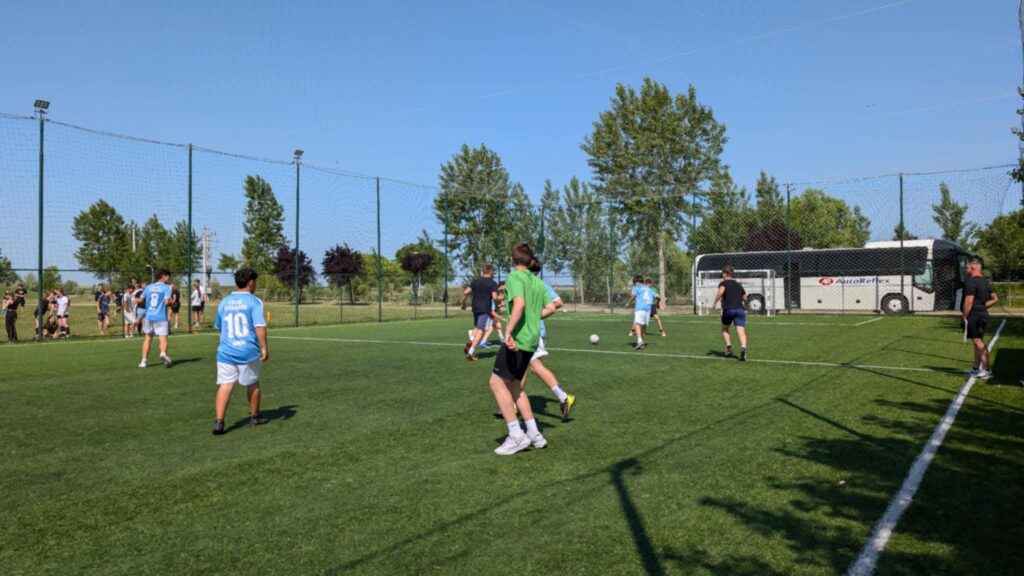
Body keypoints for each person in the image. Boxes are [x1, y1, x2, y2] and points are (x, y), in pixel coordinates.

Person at [491, 242, 556, 456]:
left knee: (496, 383)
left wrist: (508, 332)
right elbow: (551, 307)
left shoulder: (514, 277)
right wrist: (533, 318)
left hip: (518, 340)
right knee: (515, 386)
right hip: (532, 341)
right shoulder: (537, 281)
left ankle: (516, 436)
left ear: (512, 260)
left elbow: (519, 304)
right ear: (529, 261)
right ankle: (535, 434)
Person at [212, 268, 270, 435]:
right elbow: (259, 326)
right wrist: (264, 347)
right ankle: (254, 416)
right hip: (247, 351)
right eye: (255, 282)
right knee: (253, 383)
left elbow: (219, 326)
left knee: (225, 385)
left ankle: (219, 422)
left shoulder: (224, 301)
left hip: (225, 351)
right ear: (250, 282)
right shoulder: (254, 301)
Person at [523, 260, 575, 421]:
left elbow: (558, 303)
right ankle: (513, 403)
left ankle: (564, 397)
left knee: (534, 366)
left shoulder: (533, 284)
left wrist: (535, 314)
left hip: (531, 332)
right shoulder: (536, 283)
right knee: (523, 368)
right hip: (528, 331)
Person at [962, 258, 997, 379]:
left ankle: (986, 370)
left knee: (978, 342)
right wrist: (983, 306)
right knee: (977, 341)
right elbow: (995, 298)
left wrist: (964, 316)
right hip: (982, 314)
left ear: (973, 267)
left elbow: (969, 301)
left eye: (966, 267)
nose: (965, 270)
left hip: (974, 315)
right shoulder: (985, 281)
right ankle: (975, 368)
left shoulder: (970, 281)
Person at [461, 264, 498, 361]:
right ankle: (470, 353)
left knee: (477, 327)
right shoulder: (493, 283)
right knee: (481, 330)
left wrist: (463, 303)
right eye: (493, 271)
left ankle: (470, 342)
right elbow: (495, 297)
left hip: (475, 308)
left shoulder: (475, 281)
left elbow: (465, 292)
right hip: (485, 308)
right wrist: (497, 304)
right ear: (490, 271)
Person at [136, 270, 173, 368]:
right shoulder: (167, 287)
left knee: (148, 338)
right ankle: (163, 353)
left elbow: (140, 299)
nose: (168, 278)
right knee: (162, 338)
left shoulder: (149, 287)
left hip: (149, 316)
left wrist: (134, 299)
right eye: (168, 276)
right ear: (164, 276)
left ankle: (143, 361)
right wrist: (172, 303)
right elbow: (166, 302)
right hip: (160, 317)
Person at [712, 265, 749, 361]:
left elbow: (721, 292)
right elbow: (745, 298)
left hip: (729, 310)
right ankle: (743, 348)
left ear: (725, 274)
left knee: (725, 328)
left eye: (722, 274)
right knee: (741, 332)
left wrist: (715, 302)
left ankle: (729, 348)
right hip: (740, 310)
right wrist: (743, 298)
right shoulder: (738, 285)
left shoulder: (723, 283)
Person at [624, 275, 654, 349]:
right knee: (643, 325)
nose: (635, 284)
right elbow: (657, 296)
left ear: (637, 281)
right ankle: (642, 340)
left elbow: (634, 295)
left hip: (640, 308)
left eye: (634, 282)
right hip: (648, 309)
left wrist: (628, 303)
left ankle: (639, 341)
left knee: (637, 323)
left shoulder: (636, 287)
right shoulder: (648, 288)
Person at [479, 280, 506, 349]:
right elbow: (492, 311)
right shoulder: (494, 294)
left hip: (489, 311)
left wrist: (501, 304)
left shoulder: (499, 293)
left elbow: (498, 304)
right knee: (491, 326)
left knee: (495, 325)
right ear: (501, 286)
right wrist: (502, 318)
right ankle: (481, 341)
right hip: (487, 312)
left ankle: (501, 339)